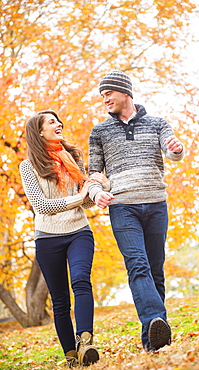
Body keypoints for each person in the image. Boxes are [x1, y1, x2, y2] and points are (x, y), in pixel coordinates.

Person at [88, 70, 185, 353]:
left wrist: (176, 149)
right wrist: (96, 193)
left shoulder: (157, 123)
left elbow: (173, 150)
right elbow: (93, 172)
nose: (104, 99)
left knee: (155, 271)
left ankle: (154, 342)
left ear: (125, 93)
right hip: (122, 207)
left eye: (108, 94)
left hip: (156, 204)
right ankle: (156, 320)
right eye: (102, 96)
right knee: (138, 266)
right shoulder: (100, 131)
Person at [20, 110, 109, 368]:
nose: (58, 124)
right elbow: (40, 205)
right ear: (39, 131)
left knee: (81, 280)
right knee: (60, 301)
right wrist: (79, 199)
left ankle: (85, 341)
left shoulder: (72, 157)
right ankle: (72, 357)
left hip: (79, 231)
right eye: (51, 122)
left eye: (58, 121)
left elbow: (88, 202)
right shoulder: (27, 166)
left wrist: (100, 189)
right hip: (48, 238)